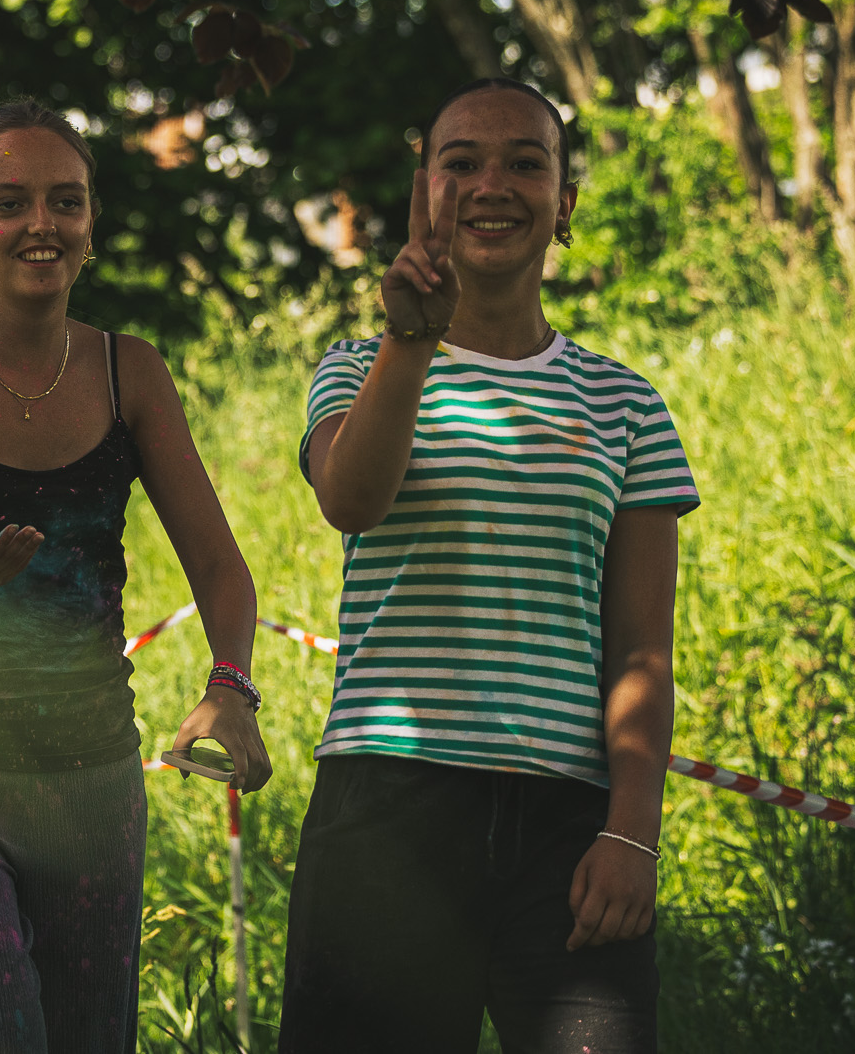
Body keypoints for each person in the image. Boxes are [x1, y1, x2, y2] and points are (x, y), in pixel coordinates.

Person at [0, 98, 272, 1054]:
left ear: (90, 223)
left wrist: (230, 688)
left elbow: (220, 569)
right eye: (10, 203)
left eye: (66, 201)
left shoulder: (128, 372)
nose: (42, 224)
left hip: (91, 784)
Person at [278, 79, 700, 1053]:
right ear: (423, 191)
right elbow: (350, 499)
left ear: (564, 202)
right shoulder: (358, 366)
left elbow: (641, 651)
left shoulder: (626, 405)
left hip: (570, 829)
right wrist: (411, 338)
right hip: (388, 810)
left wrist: (631, 831)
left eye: (524, 162)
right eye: (460, 162)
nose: (490, 185)